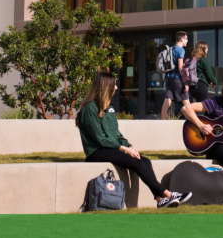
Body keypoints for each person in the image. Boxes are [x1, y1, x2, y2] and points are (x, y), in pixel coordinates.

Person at [77, 72, 192, 208]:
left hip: (112, 148)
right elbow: (101, 139)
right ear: (105, 87)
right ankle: (168, 194)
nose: (116, 88)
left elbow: (117, 135)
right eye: (114, 85)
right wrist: (124, 149)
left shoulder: (109, 108)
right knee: (135, 163)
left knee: (144, 161)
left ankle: (160, 199)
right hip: (97, 151)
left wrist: (129, 147)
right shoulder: (89, 109)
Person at [159, 31, 189, 120]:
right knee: (186, 102)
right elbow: (180, 67)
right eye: (186, 39)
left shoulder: (171, 49)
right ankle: (193, 123)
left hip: (169, 78)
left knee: (167, 101)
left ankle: (163, 122)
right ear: (181, 39)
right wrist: (185, 81)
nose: (187, 41)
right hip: (177, 79)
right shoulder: (181, 50)